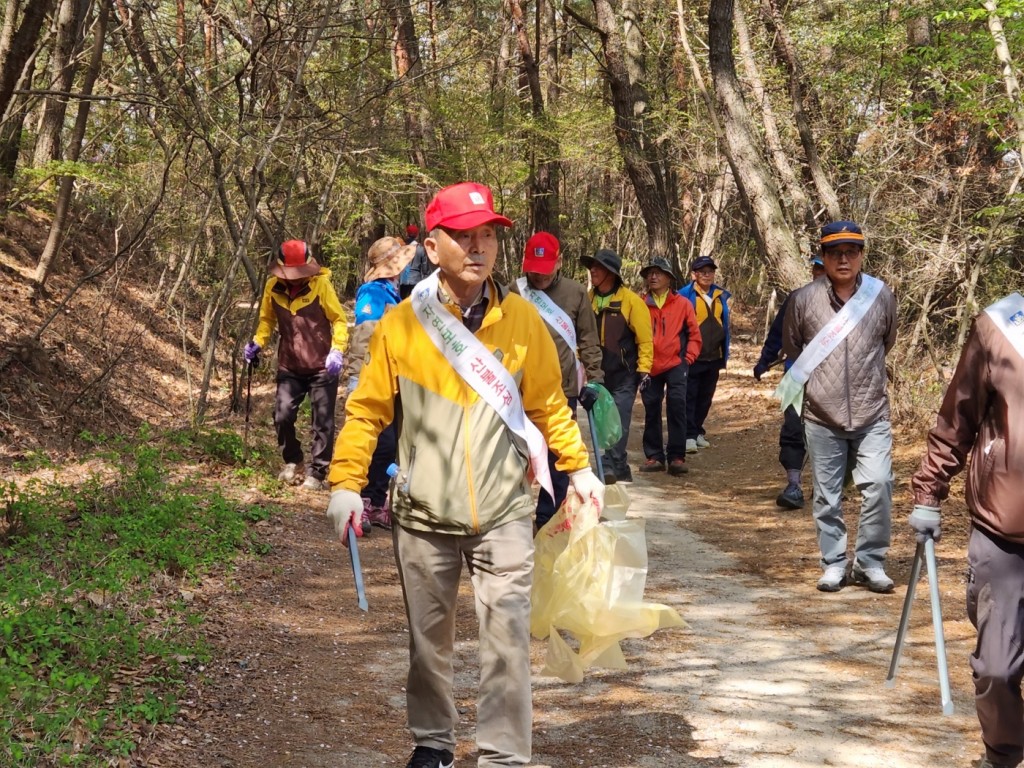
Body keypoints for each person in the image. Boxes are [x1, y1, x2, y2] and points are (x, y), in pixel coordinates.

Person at [325, 181, 603, 768]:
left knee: (506, 643)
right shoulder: (403, 324)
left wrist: (578, 468)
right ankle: (433, 742)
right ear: (433, 246)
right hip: (423, 513)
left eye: (488, 237)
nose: (478, 249)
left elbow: (549, 404)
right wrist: (348, 484)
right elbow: (368, 409)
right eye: (463, 237)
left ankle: (503, 755)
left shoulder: (524, 320)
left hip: (505, 510)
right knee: (429, 644)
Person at [910, 291, 1024, 768]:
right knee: (998, 669)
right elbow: (959, 417)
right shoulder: (1000, 327)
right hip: (1004, 527)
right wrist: (929, 491)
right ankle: (1002, 755)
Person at [780, 221, 897, 593]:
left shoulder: (882, 297)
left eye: (851, 252)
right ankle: (833, 562)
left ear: (862, 255)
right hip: (821, 415)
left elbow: (887, 341)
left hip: (871, 410)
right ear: (823, 257)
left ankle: (869, 561)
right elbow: (795, 350)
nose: (843, 259)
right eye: (835, 253)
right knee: (827, 495)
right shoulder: (802, 300)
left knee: (878, 484)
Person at [511, 230, 605, 528]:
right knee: (517, 453)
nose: (538, 277)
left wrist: (595, 380)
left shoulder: (576, 293)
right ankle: (511, 515)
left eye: (545, 271)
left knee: (559, 455)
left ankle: (546, 515)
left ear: (559, 262)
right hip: (517, 390)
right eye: (533, 271)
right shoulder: (513, 291)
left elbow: (589, 339)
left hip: (562, 388)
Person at [244, 240, 348, 491]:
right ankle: (294, 460)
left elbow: (340, 320)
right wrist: (258, 342)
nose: (294, 280)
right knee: (282, 415)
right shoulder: (272, 287)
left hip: (322, 365)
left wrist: (337, 350)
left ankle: (318, 472)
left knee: (322, 421)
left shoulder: (320, 285)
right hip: (290, 364)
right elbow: (267, 320)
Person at [342, 235, 418, 530]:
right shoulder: (373, 292)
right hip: (372, 375)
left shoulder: (394, 291)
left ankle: (375, 500)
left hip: (395, 376)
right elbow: (366, 335)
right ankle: (362, 501)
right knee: (379, 442)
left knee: (391, 442)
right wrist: (357, 378)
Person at [753, 255, 827, 509]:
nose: (819, 273)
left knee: (830, 433)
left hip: (834, 382)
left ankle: (828, 486)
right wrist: (764, 361)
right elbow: (777, 332)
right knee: (793, 428)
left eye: (823, 269)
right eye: (816, 269)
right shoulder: (797, 298)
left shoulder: (851, 305)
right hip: (796, 375)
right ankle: (793, 485)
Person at [581, 247, 653, 485]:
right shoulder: (586, 300)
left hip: (625, 374)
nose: (592, 271)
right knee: (603, 420)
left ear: (611, 273)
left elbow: (644, 338)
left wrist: (644, 368)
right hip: (597, 374)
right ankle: (620, 465)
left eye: (598, 267)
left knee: (619, 419)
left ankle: (610, 463)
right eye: (591, 267)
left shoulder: (632, 301)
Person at [638, 256, 701, 477]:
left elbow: (694, 334)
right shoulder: (640, 303)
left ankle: (676, 456)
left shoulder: (682, 304)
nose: (653, 276)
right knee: (651, 406)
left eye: (658, 273)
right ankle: (654, 456)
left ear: (669, 278)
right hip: (649, 365)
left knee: (677, 405)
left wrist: (689, 358)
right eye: (650, 273)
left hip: (676, 363)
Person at [679, 254, 731, 453]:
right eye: (702, 272)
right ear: (694, 274)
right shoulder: (685, 295)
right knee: (689, 396)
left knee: (705, 397)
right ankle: (688, 435)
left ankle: (698, 431)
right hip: (693, 355)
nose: (707, 275)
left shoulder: (721, 295)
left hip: (714, 355)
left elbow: (724, 324)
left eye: (710, 272)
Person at [399, 223, 432, 299]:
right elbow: (425, 270)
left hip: (403, 280)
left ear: (407, 233)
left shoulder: (401, 247)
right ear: (417, 235)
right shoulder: (420, 248)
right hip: (416, 281)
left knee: (402, 304)